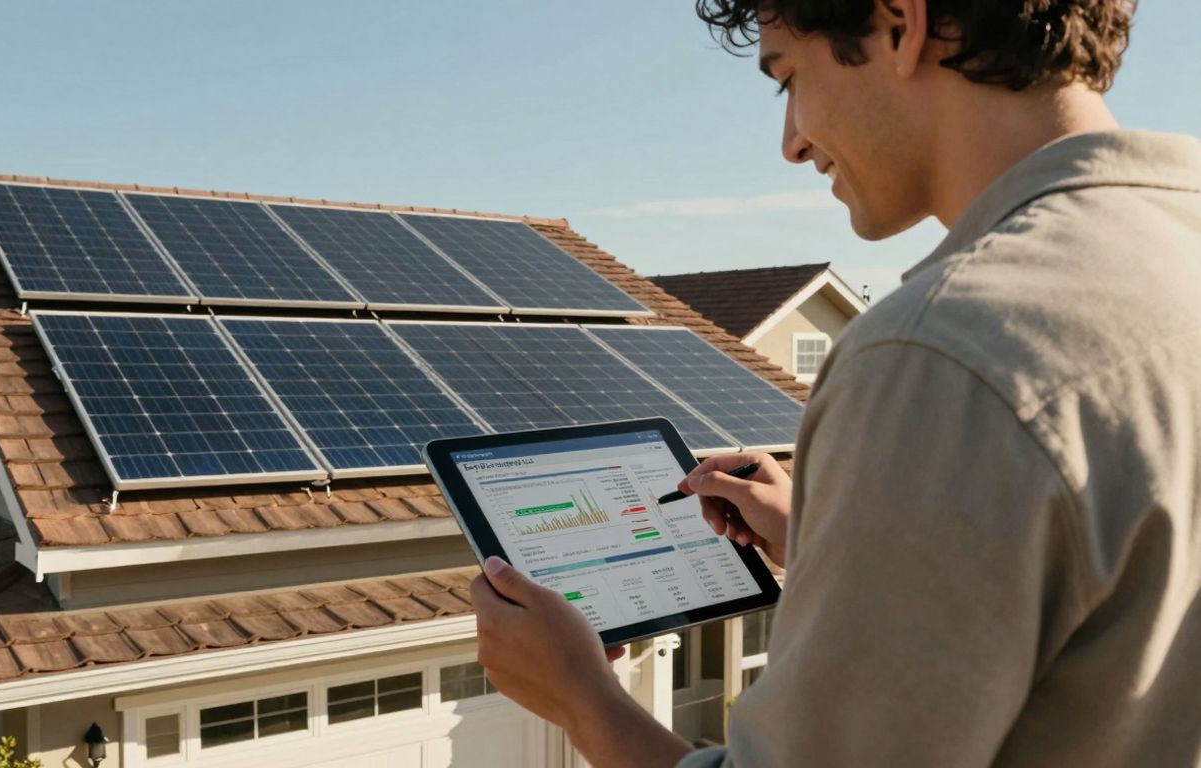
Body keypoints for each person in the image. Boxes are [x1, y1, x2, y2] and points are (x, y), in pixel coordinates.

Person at [469, 0, 1201, 765]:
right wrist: (838, 540)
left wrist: (582, 699)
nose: (791, 143)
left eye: (788, 76)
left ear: (903, 23)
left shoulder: (939, 358)